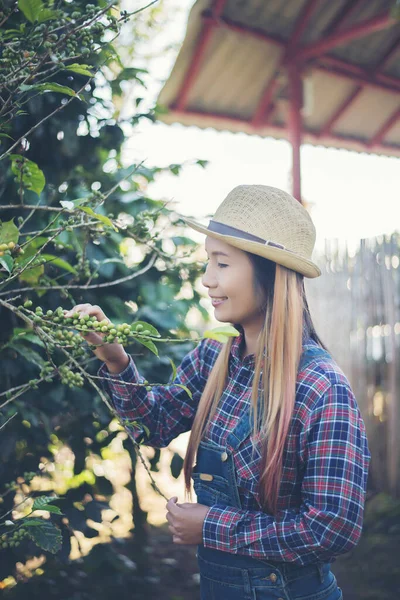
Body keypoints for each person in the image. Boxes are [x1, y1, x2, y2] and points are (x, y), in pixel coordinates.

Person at [66, 185, 371, 600]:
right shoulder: (214, 358)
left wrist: (211, 526)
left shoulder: (321, 387)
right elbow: (151, 425)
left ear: (270, 273)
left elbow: (332, 528)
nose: (207, 279)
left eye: (222, 263)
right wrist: (115, 358)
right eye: (207, 261)